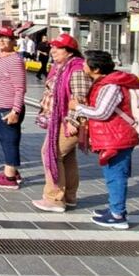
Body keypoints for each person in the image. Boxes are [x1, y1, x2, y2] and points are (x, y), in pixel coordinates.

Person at [68, 50, 139, 230]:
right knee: (113, 175)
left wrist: (77, 107)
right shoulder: (105, 82)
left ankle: (118, 215)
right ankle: (114, 208)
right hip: (113, 135)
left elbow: (101, 112)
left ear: (95, 68)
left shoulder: (111, 86)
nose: (83, 66)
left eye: (85, 63)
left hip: (117, 137)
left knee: (116, 176)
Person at [32, 33, 91, 214]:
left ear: (70, 51)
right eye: (53, 47)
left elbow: (81, 98)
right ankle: (70, 197)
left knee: (50, 153)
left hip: (68, 121)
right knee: (67, 157)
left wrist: (74, 120)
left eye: (58, 48)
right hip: (60, 120)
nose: (53, 50)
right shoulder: (62, 67)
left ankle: (54, 198)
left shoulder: (76, 69)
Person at [0, 27, 27, 189]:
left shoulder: (15, 60)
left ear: (13, 41)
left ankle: (10, 178)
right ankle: (13, 171)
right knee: (2, 137)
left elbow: (20, 88)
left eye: (5, 38)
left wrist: (15, 110)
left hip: (8, 107)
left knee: (10, 139)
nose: (1, 41)